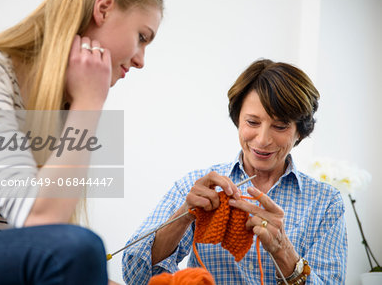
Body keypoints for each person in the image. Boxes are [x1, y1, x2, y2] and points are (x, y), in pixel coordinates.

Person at [0, 0, 163, 284]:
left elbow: (45, 249)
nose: (140, 60)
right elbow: (40, 222)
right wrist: (90, 102)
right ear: (103, 9)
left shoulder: (62, 110)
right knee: (81, 246)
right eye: (141, 37)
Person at [122, 59, 347, 284]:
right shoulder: (197, 186)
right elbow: (135, 276)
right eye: (252, 122)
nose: (263, 139)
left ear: (300, 132)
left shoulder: (325, 203)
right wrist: (183, 216)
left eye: (280, 126)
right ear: (237, 119)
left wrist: (283, 250)